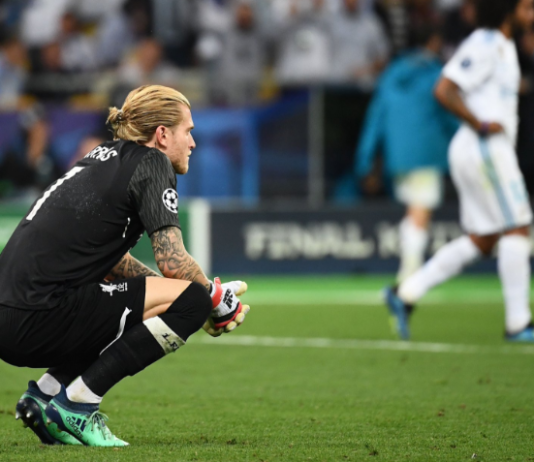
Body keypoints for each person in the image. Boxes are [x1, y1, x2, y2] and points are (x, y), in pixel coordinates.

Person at [0, 84, 250, 446]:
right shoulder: (152, 163)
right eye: (188, 131)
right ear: (162, 135)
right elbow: (173, 262)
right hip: (39, 315)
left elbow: (112, 263)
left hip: (14, 314)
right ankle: (78, 404)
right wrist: (213, 299)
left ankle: (45, 395)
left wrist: (175, 297)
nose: (193, 143)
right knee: (192, 301)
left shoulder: (105, 156)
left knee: (168, 299)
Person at [385, 0, 534, 342]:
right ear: (507, 9)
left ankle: (405, 293)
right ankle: (518, 323)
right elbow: (444, 89)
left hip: (481, 149)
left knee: (484, 238)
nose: (531, 14)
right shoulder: (485, 43)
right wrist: (479, 123)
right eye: (526, 8)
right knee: (518, 225)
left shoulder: (502, 44)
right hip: (485, 148)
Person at [356, 25, 458, 284]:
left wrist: (365, 159)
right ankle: (410, 271)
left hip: (398, 155)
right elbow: (450, 115)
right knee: (420, 209)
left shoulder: (391, 74)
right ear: (432, 42)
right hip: (427, 152)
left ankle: (410, 267)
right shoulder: (436, 74)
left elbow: (375, 118)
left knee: (414, 209)